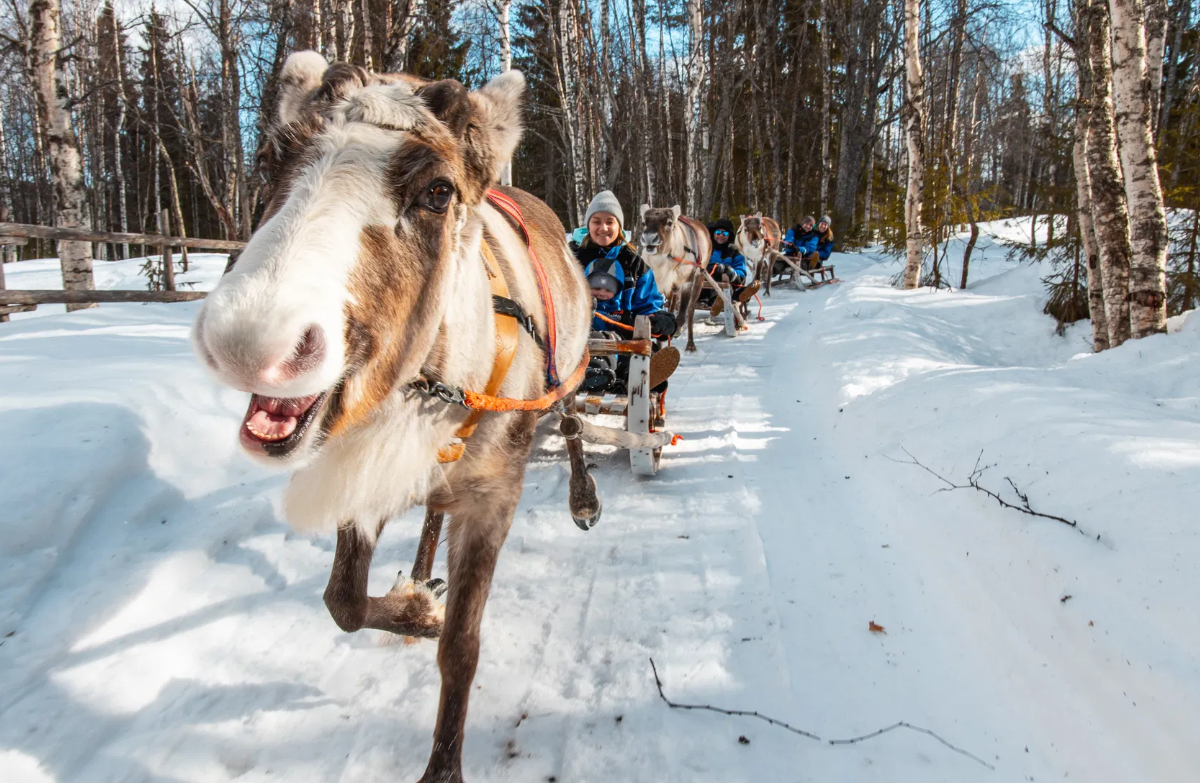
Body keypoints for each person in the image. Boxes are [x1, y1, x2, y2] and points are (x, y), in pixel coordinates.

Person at [570, 190, 679, 393]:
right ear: (588, 225)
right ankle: (595, 375)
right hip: (580, 338)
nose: (603, 228)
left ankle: (639, 379)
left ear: (618, 226)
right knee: (597, 353)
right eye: (596, 221)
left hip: (625, 339)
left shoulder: (633, 261)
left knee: (639, 355)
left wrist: (659, 319)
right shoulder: (572, 257)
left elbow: (647, 303)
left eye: (610, 221)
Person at [703, 217, 760, 316]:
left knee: (728, 284)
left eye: (725, 234)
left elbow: (741, 272)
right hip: (704, 286)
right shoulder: (706, 249)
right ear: (713, 233)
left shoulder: (734, 251)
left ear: (729, 236)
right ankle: (723, 299)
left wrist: (730, 272)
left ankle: (740, 294)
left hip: (728, 284)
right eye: (718, 232)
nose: (721, 235)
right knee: (714, 276)